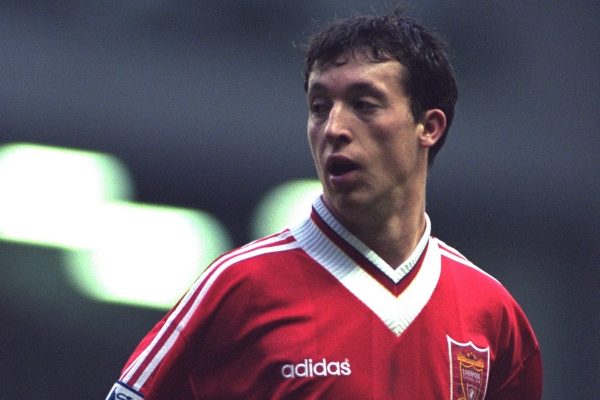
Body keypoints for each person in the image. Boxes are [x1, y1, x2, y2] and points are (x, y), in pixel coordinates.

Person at [106, 8, 542, 400]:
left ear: (428, 126)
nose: (333, 127)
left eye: (363, 104)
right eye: (319, 106)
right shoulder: (237, 287)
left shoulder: (493, 315)